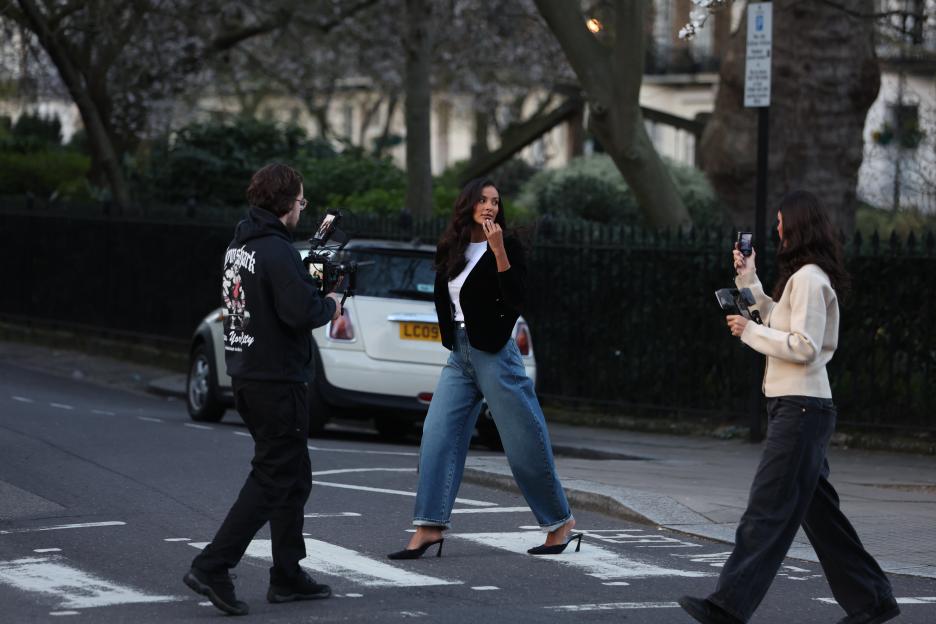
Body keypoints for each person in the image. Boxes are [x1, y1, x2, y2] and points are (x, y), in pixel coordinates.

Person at [678, 191, 898, 624]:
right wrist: (749, 281)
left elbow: (803, 346)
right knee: (823, 519)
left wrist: (746, 332)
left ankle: (727, 607)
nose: (776, 229)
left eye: (781, 222)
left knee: (766, 509)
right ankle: (873, 601)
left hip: (800, 410)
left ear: (797, 226)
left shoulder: (811, 280)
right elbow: (782, 321)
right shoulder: (803, 279)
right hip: (799, 408)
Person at [387, 178, 580, 560]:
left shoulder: (508, 247)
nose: (489, 206)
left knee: (523, 438)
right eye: (482, 199)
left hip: (494, 353)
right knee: (438, 435)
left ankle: (559, 523)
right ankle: (429, 526)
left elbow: (516, 299)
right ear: (468, 205)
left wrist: (499, 252)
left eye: (495, 201)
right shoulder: (452, 247)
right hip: (459, 354)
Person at [183, 163, 342, 616]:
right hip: (278, 380)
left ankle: (287, 574)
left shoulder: (240, 244)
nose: (302, 209)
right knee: (274, 475)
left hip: (247, 374)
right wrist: (330, 301)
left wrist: (307, 284)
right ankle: (213, 565)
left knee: (294, 476)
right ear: (287, 204)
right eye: (301, 202)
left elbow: (270, 301)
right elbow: (300, 313)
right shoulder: (275, 250)